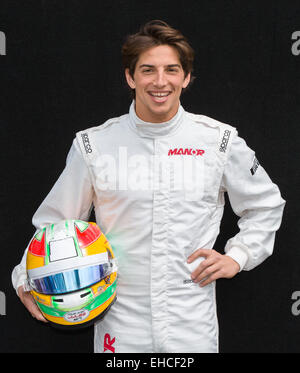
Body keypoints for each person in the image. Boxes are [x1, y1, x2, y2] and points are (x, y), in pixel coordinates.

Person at [12, 20, 286, 353]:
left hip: (191, 323)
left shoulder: (219, 140)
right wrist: (25, 279)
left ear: (185, 78)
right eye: (147, 70)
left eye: (171, 70)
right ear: (130, 77)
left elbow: (266, 204)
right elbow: (53, 228)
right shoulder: (94, 145)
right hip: (119, 322)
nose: (160, 81)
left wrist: (238, 256)